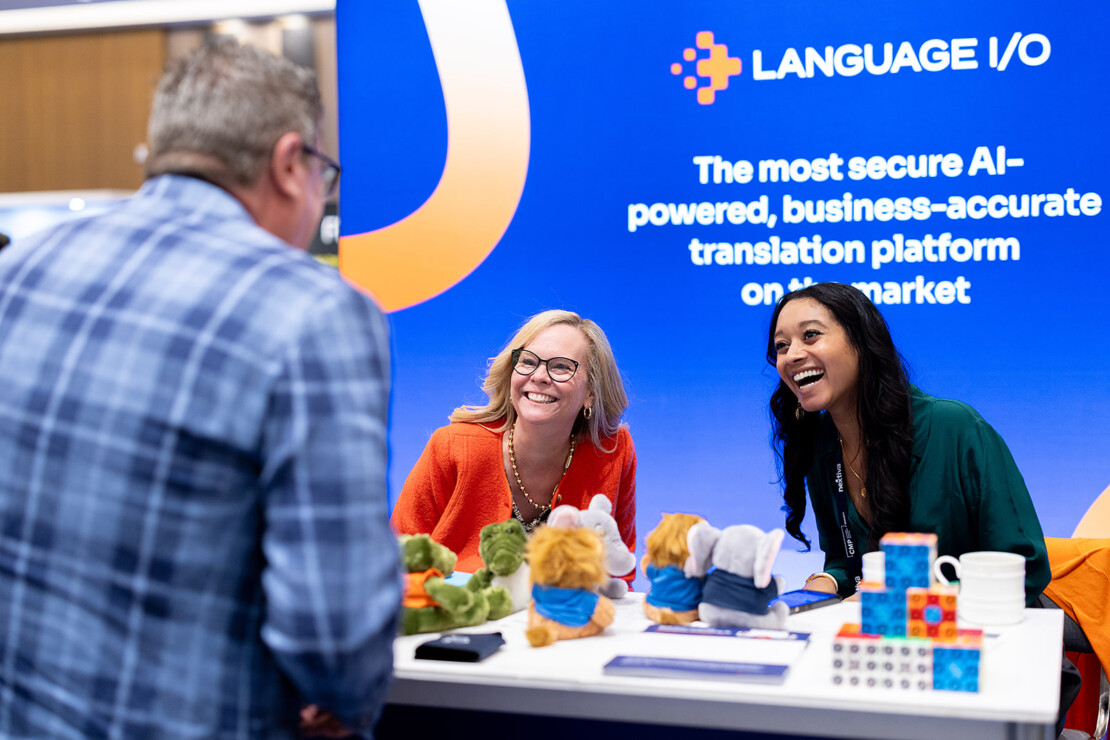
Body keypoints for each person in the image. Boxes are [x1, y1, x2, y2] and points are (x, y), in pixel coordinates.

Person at [0, 40, 400, 739]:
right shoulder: (313, 313)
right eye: (322, 175)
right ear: (287, 163)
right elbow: (335, 635)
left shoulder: (22, 271)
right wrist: (348, 698)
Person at [766, 282, 1050, 604]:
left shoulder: (955, 428)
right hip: (890, 644)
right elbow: (847, 563)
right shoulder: (820, 445)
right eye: (781, 345)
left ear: (862, 341)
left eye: (811, 335)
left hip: (980, 637)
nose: (793, 355)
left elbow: (1026, 567)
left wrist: (902, 601)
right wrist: (825, 582)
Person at [392, 310, 636, 576]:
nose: (540, 376)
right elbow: (393, 560)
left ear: (590, 393)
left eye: (561, 367)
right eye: (528, 361)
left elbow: (619, 571)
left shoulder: (614, 452)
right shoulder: (453, 447)